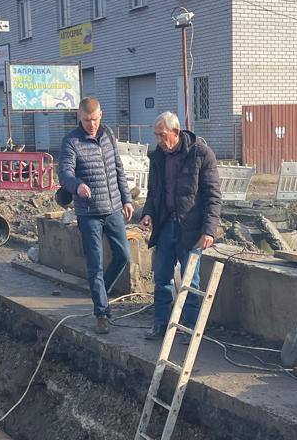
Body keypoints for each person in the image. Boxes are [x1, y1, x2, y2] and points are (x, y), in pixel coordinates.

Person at [139, 111, 221, 341]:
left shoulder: (201, 154)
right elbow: (154, 192)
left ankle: (189, 327)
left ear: (176, 132)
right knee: (162, 277)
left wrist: (208, 230)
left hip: (191, 228)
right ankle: (161, 324)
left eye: (162, 135)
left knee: (190, 281)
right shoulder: (158, 157)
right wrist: (148, 214)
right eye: (156, 136)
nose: (159, 141)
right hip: (166, 225)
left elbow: (213, 196)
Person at [58, 96, 133, 335]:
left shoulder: (108, 135)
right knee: (95, 264)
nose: (92, 124)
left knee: (123, 255)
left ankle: (101, 294)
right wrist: (77, 185)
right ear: (80, 117)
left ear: (101, 115)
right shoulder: (71, 141)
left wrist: (127, 199)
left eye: (96, 119)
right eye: (87, 120)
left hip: (113, 210)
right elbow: (65, 173)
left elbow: (118, 169)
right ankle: (101, 312)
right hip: (89, 213)